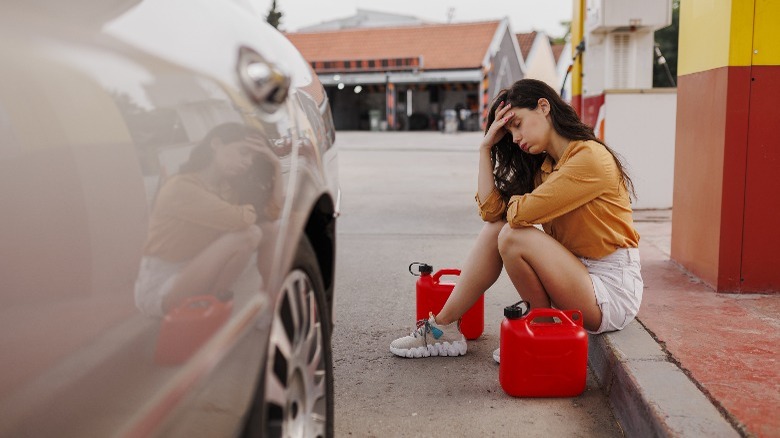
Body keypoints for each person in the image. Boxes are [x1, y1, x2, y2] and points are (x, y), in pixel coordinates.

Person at [390, 79, 643, 361]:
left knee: (512, 235)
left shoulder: (589, 158)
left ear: (544, 107)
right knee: (497, 229)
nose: (515, 138)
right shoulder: (545, 167)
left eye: (518, 124)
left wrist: (516, 207)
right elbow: (491, 214)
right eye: (509, 132)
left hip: (609, 289)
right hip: (573, 275)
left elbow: (519, 215)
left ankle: (542, 330)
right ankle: (444, 326)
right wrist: (485, 148)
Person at [134, 123, 271, 317]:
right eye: (243, 152)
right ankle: (212, 307)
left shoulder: (226, 187)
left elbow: (272, 211)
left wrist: (273, 161)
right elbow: (241, 219)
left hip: (195, 266)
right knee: (249, 234)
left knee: (270, 230)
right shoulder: (181, 186)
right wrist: (248, 210)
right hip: (160, 285)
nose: (248, 162)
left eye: (252, 158)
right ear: (216, 144)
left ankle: (255, 302)